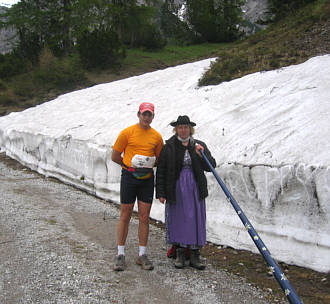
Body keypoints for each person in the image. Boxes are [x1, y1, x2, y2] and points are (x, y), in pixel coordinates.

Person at [156, 115, 216, 270]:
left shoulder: (198, 145)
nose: (183, 130)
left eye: (186, 127)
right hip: (176, 188)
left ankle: (195, 254)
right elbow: (161, 170)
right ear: (176, 129)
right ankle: (181, 253)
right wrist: (161, 192)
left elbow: (211, 166)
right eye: (180, 127)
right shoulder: (169, 146)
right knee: (179, 219)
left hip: (195, 187)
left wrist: (202, 155)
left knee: (195, 218)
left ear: (190, 129)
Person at [111, 102, 163, 271]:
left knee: (144, 216)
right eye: (144, 114)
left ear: (153, 117)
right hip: (129, 177)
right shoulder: (127, 133)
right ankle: (120, 254)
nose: (147, 117)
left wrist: (145, 166)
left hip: (146, 179)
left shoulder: (157, 137)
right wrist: (129, 167)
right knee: (125, 214)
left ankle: (142, 255)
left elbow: (159, 158)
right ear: (138, 115)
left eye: (150, 115)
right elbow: (115, 156)